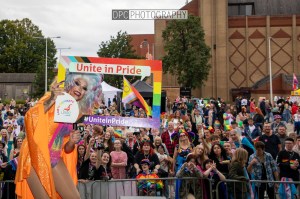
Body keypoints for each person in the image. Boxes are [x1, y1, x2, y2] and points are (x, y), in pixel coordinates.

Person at [15, 73, 103, 199]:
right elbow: (30, 118)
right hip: (34, 154)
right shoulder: (52, 97)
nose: (79, 89)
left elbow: (66, 149)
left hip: (54, 157)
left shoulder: (75, 112)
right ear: (70, 82)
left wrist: (72, 141)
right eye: (77, 83)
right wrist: (51, 99)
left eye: (84, 88)